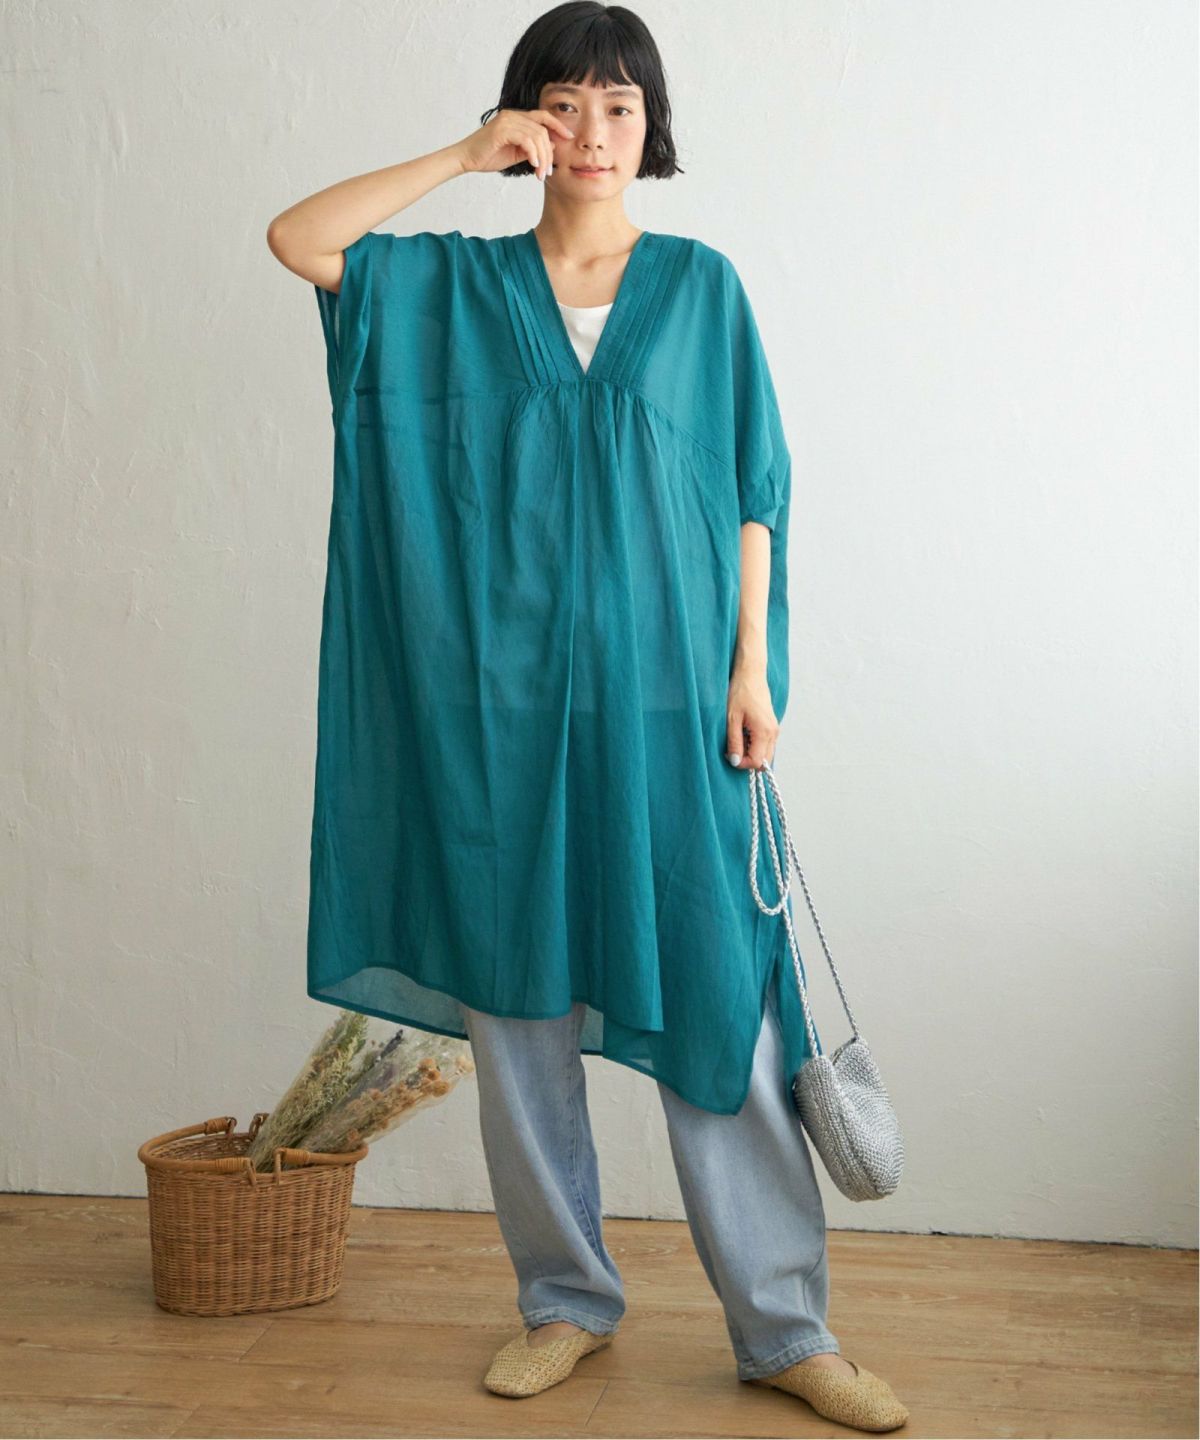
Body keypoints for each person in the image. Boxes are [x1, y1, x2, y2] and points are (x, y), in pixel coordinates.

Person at [267, 2, 908, 1431]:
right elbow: (300, 239)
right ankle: (564, 1300)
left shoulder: (700, 289)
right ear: (527, 122)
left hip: (673, 710)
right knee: (519, 1013)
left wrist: (753, 672)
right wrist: (459, 154)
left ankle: (784, 1329)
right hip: (494, 720)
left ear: (650, 127)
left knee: (724, 1005)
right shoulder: (447, 287)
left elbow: (755, 489)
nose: (593, 131)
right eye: (563, 103)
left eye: (620, 106)